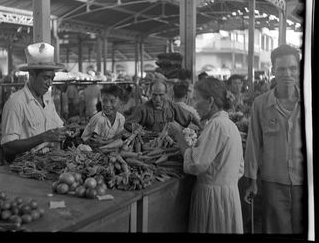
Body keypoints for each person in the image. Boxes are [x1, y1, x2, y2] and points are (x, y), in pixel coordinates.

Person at [168, 77, 244, 233]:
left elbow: (196, 164)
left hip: (213, 198)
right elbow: (239, 168)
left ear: (210, 101)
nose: (193, 104)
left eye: (196, 99)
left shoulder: (216, 125)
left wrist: (179, 135)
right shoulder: (229, 125)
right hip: (227, 195)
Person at [243, 45, 305, 234]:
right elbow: (253, 143)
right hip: (273, 182)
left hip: (304, 182)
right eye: (281, 69)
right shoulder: (261, 104)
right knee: (275, 229)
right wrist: (252, 180)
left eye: (293, 68)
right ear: (273, 71)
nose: (287, 74)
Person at [1, 42, 67, 163]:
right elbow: (8, 146)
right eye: (46, 78)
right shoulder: (16, 102)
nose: (50, 83)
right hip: (26, 166)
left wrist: (69, 130)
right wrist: (43, 137)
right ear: (32, 75)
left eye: (52, 78)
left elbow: (58, 127)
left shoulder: (47, 99)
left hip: (49, 162)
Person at [124, 80, 200, 133]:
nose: (157, 99)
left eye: (161, 95)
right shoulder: (143, 109)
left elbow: (190, 116)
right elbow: (127, 124)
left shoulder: (172, 106)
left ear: (166, 93)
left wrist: (202, 128)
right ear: (150, 93)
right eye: (154, 95)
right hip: (149, 144)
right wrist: (138, 131)